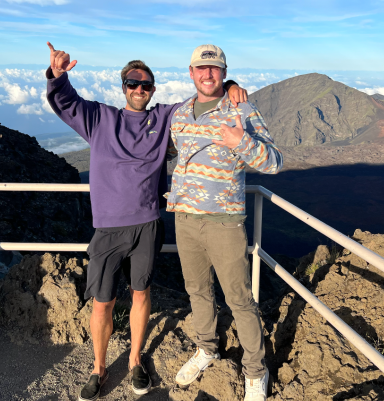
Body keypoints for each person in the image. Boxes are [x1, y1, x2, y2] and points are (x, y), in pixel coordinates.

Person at [44, 42, 248, 400]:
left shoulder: (164, 116)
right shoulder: (100, 118)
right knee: (102, 301)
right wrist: (57, 76)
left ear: (153, 90)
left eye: (146, 85)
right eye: (132, 83)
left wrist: (229, 86)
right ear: (123, 87)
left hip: (148, 224)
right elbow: (65, 103)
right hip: (107, 228)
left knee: (141, 293)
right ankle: (98, 368)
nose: (139, 89)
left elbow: (204, 94)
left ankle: (136, 359)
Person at [166, 44, 283, 401]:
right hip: (185, 219)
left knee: (239, 299)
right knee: (197, 291)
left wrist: (242, 141)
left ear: (224, 71)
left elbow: (275, 161)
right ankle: (207, 349)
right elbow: (172, 151)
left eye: (215, 69)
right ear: (190, 72)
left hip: (225, 222)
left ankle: (255, 372)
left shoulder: (240, 108)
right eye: (201, 68)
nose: (207, 74)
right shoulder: (180, 113)